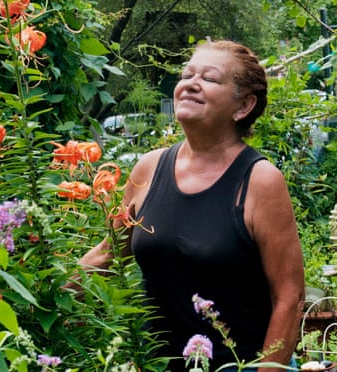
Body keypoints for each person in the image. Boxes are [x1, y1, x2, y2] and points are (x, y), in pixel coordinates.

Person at [71, 39, 305, 371]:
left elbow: (289, 298)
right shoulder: (149, 168)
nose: (190, 84)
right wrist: (37, 293)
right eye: (187, 74)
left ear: (243, 106)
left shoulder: (259, 181)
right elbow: (109, 253)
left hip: (239, 367)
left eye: (209, 79)